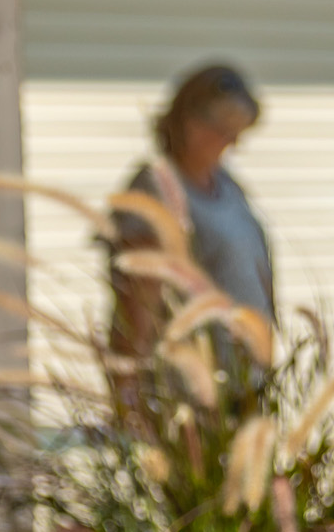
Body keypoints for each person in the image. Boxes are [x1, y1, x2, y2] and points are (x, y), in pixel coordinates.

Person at [114, 63, 273, 354]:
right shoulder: (154, 187)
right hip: (192, 366)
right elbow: (140, 297)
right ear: (190, 122)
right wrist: (131, 370)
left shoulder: (227, 184)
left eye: (238, 131)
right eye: (223, 129)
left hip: (245, 366)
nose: (232, 142)